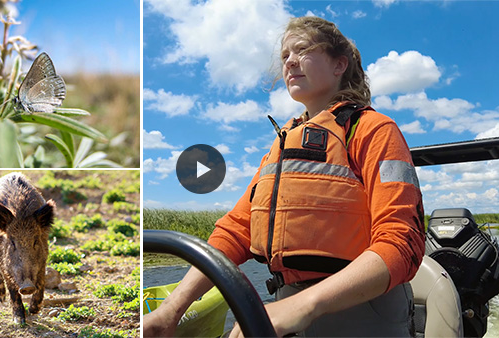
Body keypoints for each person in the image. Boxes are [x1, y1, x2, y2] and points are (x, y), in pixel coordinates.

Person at [144, 16, 425, 338]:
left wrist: (305, 305)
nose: (290, 61)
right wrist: (171, 309)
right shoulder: (283, 143)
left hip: (363, 310)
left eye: (302, 50)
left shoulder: (374, 130)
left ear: (339, 65)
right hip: (287, 303)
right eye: (284, 56)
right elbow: (237, 229)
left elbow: (402, 242)